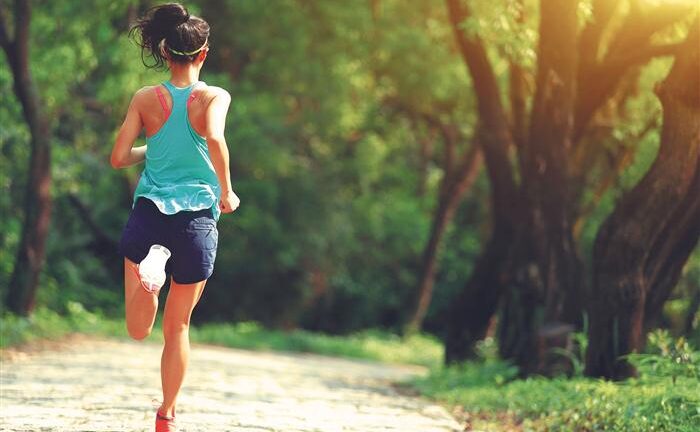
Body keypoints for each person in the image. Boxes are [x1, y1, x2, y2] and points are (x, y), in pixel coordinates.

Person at [110, 3, 239, 431]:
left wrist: (155, 146)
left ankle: (151, 281)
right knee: (178, 326)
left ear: (165, 52)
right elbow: (215, 138)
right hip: (195, 220)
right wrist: (227, 190)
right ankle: (166, 414)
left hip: (149, 213)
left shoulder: (145, 98)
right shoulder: (214, 97)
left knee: (137, 329)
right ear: (204, 54)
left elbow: (118, 158)